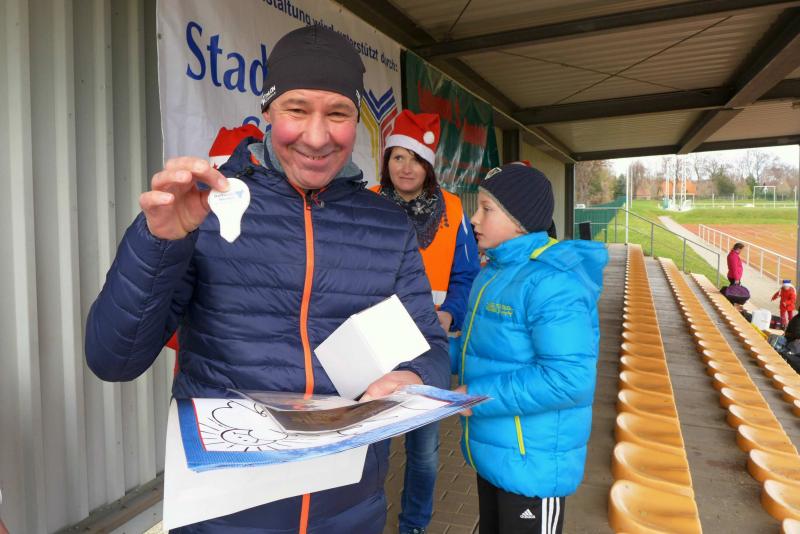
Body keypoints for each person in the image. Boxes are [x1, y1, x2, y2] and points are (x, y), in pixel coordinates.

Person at [85, 25, 449, 534]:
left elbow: (430, 345)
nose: (317, 137)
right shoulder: (204, 209)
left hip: (348, 510)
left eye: (338, 114)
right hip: (225, 514)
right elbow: (113, 360)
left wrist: (415, 376)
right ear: (268, 111)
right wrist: (160, 241)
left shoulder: (387, 224)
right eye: (297, 109)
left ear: (357, 121)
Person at [451, 164, 607, 534]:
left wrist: (475, 396)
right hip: (496, 453)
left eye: (486, 209)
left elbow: (568, 380)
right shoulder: (492, 273)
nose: (474, 219)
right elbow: (480, 348)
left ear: (519, 221)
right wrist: (421, 360)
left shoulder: (553, 282)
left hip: (534, 463)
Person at [372, 110, 480, 534]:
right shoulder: (365, 201)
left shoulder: (452, 208)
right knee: (372, 445)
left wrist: (450, 311)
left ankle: (414, 525)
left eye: (415, 159)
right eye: (398, 157)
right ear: (386, 161)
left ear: (429, 165)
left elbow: (466, 275)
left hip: (427, 344)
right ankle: (366, 520)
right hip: (375, 344)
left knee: (424, 450)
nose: (406, 167)